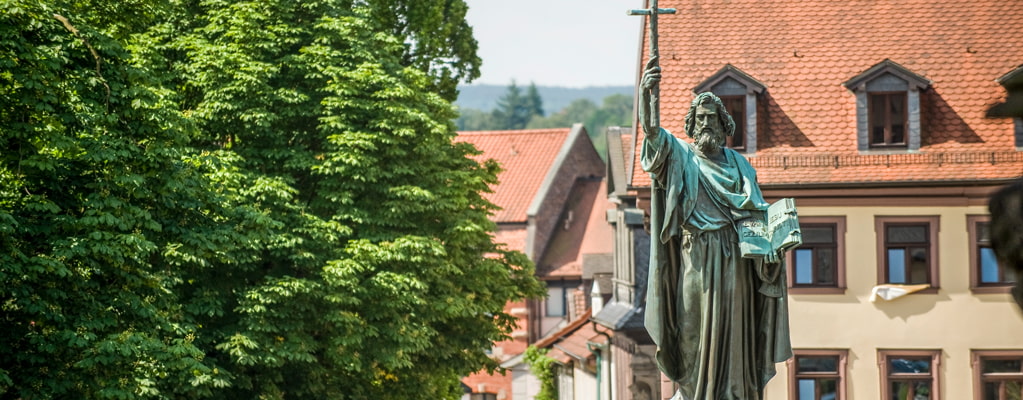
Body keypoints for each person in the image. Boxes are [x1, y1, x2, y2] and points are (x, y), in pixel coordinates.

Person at [639, 57, 792, 400]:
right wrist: (648, 95)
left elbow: (756, 218)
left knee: (735, 335)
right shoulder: (680, 156)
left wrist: (774, 246)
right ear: (691, 126)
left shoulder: (741, 165)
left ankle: (733, 392)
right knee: (691, 331)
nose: (706, 124)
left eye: (712, 119)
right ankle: (694, 392)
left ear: (724, 126)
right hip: (696, 258)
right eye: (701, 119)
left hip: (736, 262)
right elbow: (652, 137)